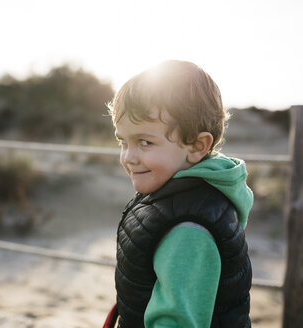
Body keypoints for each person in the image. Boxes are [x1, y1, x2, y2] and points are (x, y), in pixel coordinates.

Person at [105, 60, 254, 328]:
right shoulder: (172, 194)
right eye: (123, 142)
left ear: (197, 146)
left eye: (145, 142)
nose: (129, 157)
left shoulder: (189, 229)